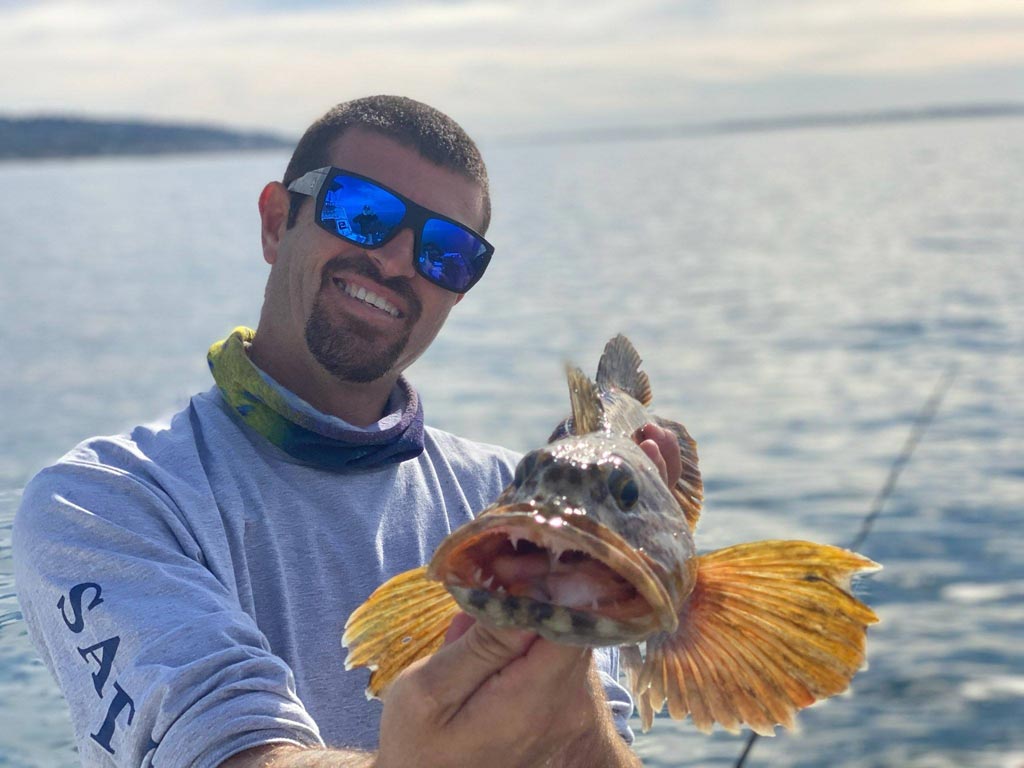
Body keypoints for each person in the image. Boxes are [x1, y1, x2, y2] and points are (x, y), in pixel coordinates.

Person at [13, 96, 681, 768]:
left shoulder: (517, 507)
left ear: (460, 290)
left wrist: (573, 685)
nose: (396, 261)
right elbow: (222, 751)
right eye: (362, 213)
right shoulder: (104, 502)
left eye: (445, 252)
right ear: (277, 222)